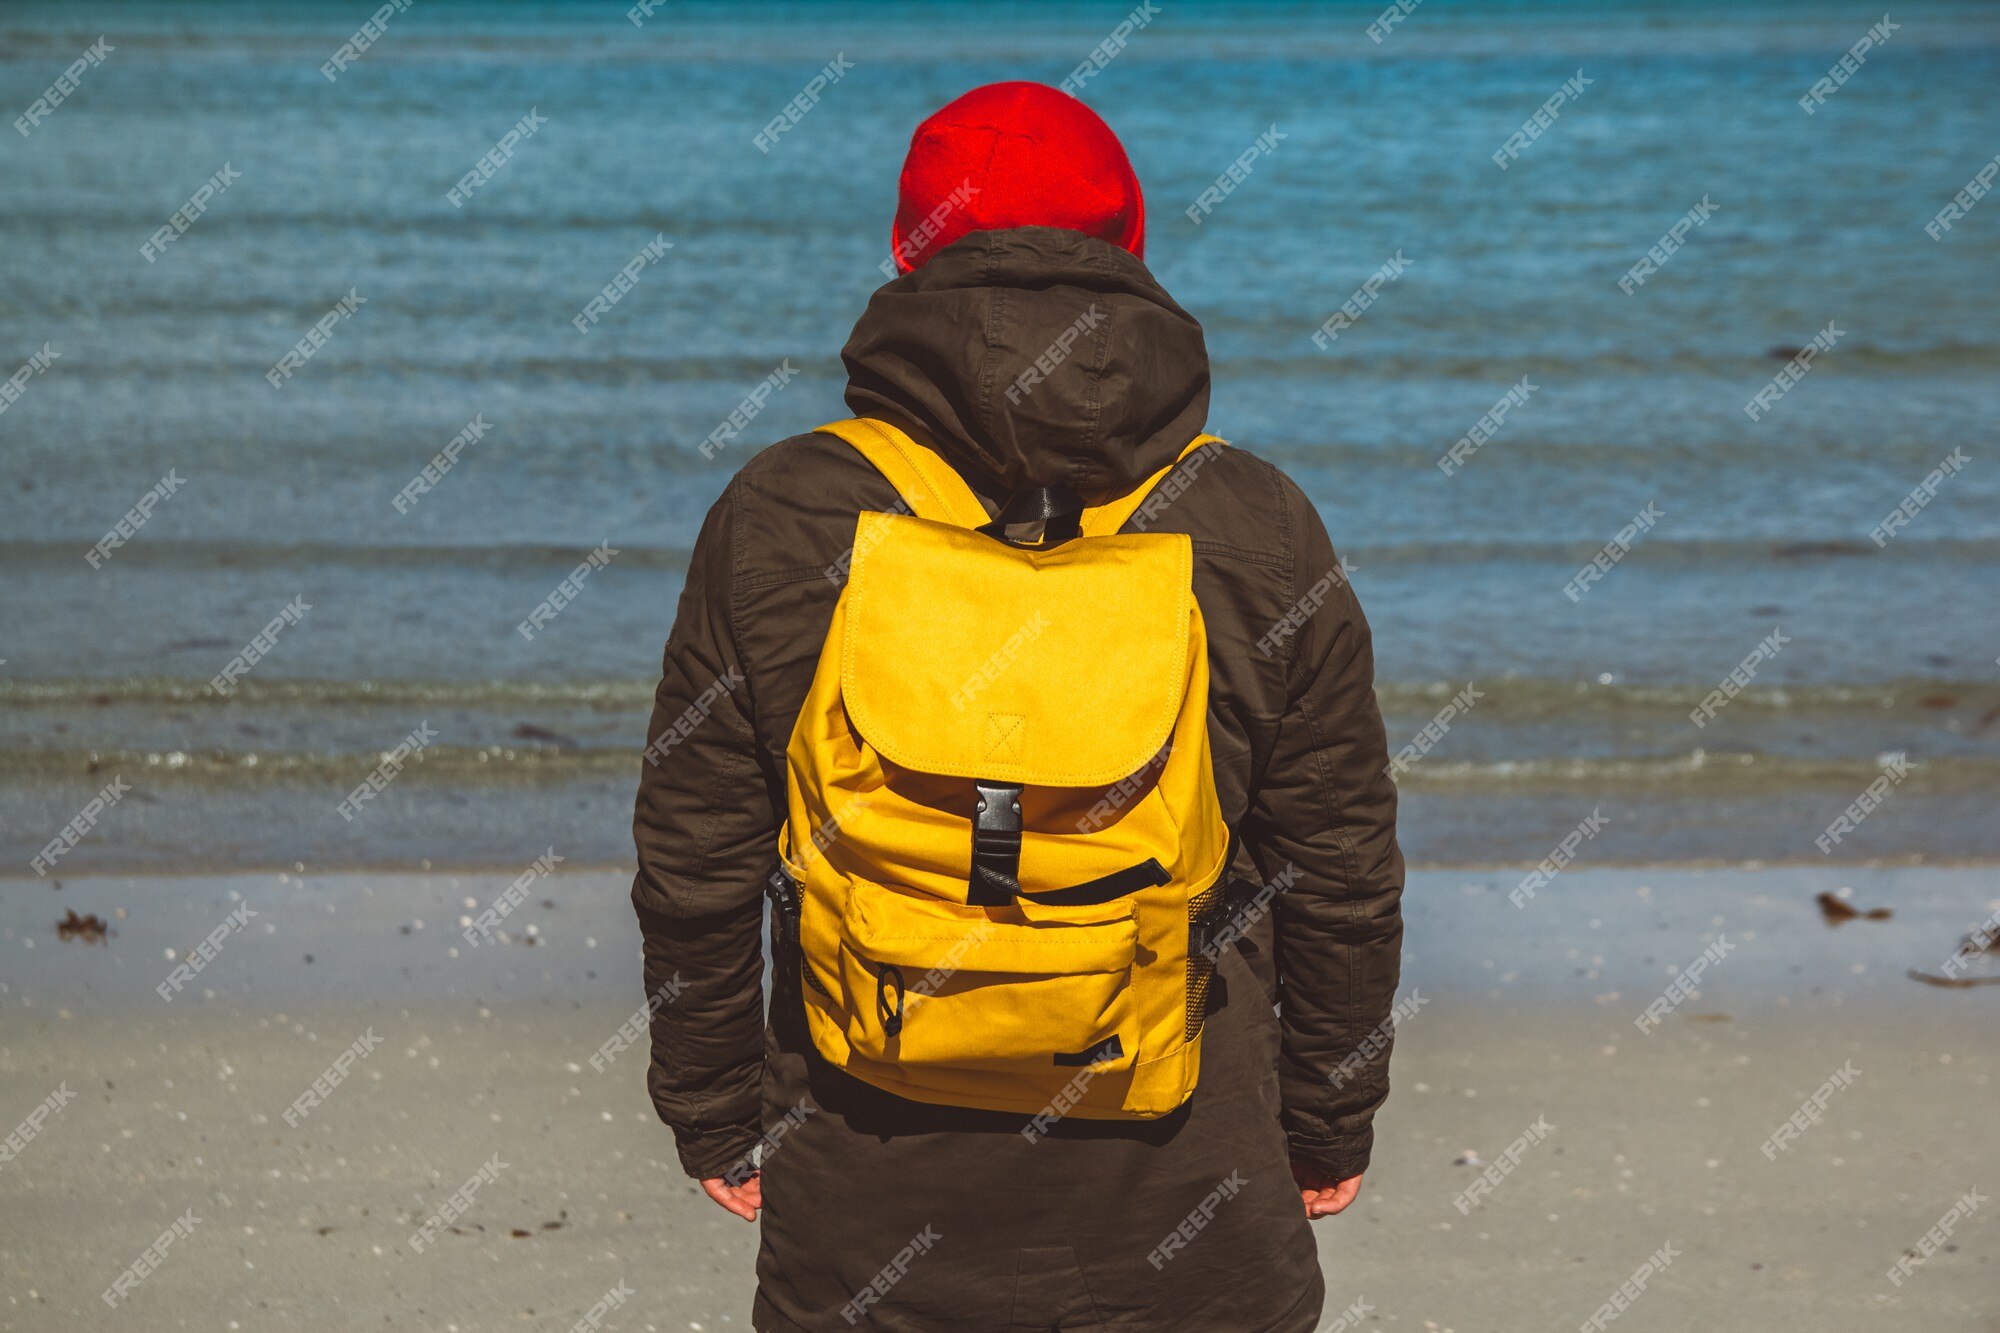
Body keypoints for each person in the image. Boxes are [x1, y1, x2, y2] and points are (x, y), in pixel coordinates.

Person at [632, 81, 1404, 1333]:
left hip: (867, 1169)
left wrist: (712, 1104)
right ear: (1132, 244)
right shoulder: (1252, 519)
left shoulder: (783, 512)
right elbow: (1339, 864)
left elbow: (695, 859)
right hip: (1187, 1179)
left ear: (906, 249)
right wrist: (1325, 1113)